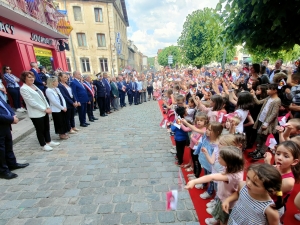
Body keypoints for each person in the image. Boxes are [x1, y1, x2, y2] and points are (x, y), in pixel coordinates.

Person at [185, 146, 244, 225]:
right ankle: (217, 221)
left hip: (228, 202)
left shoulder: (231, 176)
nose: (218, 158)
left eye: (220, 158)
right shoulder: (235, 167)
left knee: (224, 219)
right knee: (221, 215)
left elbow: (211, 177)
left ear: (228, 161)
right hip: (223, 197)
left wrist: (194, 181)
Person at [20, 71, 60, 151]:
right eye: (29, 77)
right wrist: (44, 109)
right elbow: (31, 102)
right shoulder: (23, 88)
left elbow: (43, 97)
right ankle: (43, 144)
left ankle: (48, 141)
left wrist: (48, 107)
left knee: (46, 127)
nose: (32, 79)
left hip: (45, 110)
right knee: (40, 129)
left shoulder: (34, 86)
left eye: (32, 77)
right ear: (24, 79)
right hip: (36, 112)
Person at [264, 141, 300, 221]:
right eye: (278, 153)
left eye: (286, 156)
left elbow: (268, 190)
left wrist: (267, 165)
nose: (279, 158)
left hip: (273, 207)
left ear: (294, 162)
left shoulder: (289, 181)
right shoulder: (275, 168)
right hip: (264, 202)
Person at [250, 83, 281, 160]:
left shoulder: (277, 100)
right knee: (260, 136)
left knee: (265, 138)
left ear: (275, 91)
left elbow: (274, 114)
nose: (267, 90)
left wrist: (266, 123)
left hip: (267, 122)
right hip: (261, 119)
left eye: (269, 89)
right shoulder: (268, 98)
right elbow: (258, 102)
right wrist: (254, 95)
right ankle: (258, 150)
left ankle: (262, 152)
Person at [0, 97, 29, 179]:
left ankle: (11, 163)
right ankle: (3, 171)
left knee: (8, 145)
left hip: (5, 125)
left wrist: (13, 114)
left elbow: (6, 105)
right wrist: (11, 119)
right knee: (1, 150)